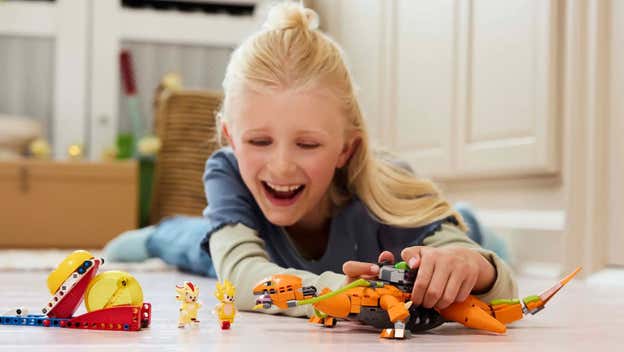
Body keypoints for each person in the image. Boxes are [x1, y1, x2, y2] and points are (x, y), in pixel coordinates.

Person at [105, 2, 516, 317]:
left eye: (308, 145)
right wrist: (343, 295)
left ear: (346, 150)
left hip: (386, 214)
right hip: (253, 244)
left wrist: (474, 266)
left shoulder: (387, 190)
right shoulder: (229, 170)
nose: (281, 166)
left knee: (469, 233)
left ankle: (469, 219)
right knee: (194, 248)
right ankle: (155, 233)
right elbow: (245, 277)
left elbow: (502, 286)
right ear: (231, 138)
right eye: (259, 141)